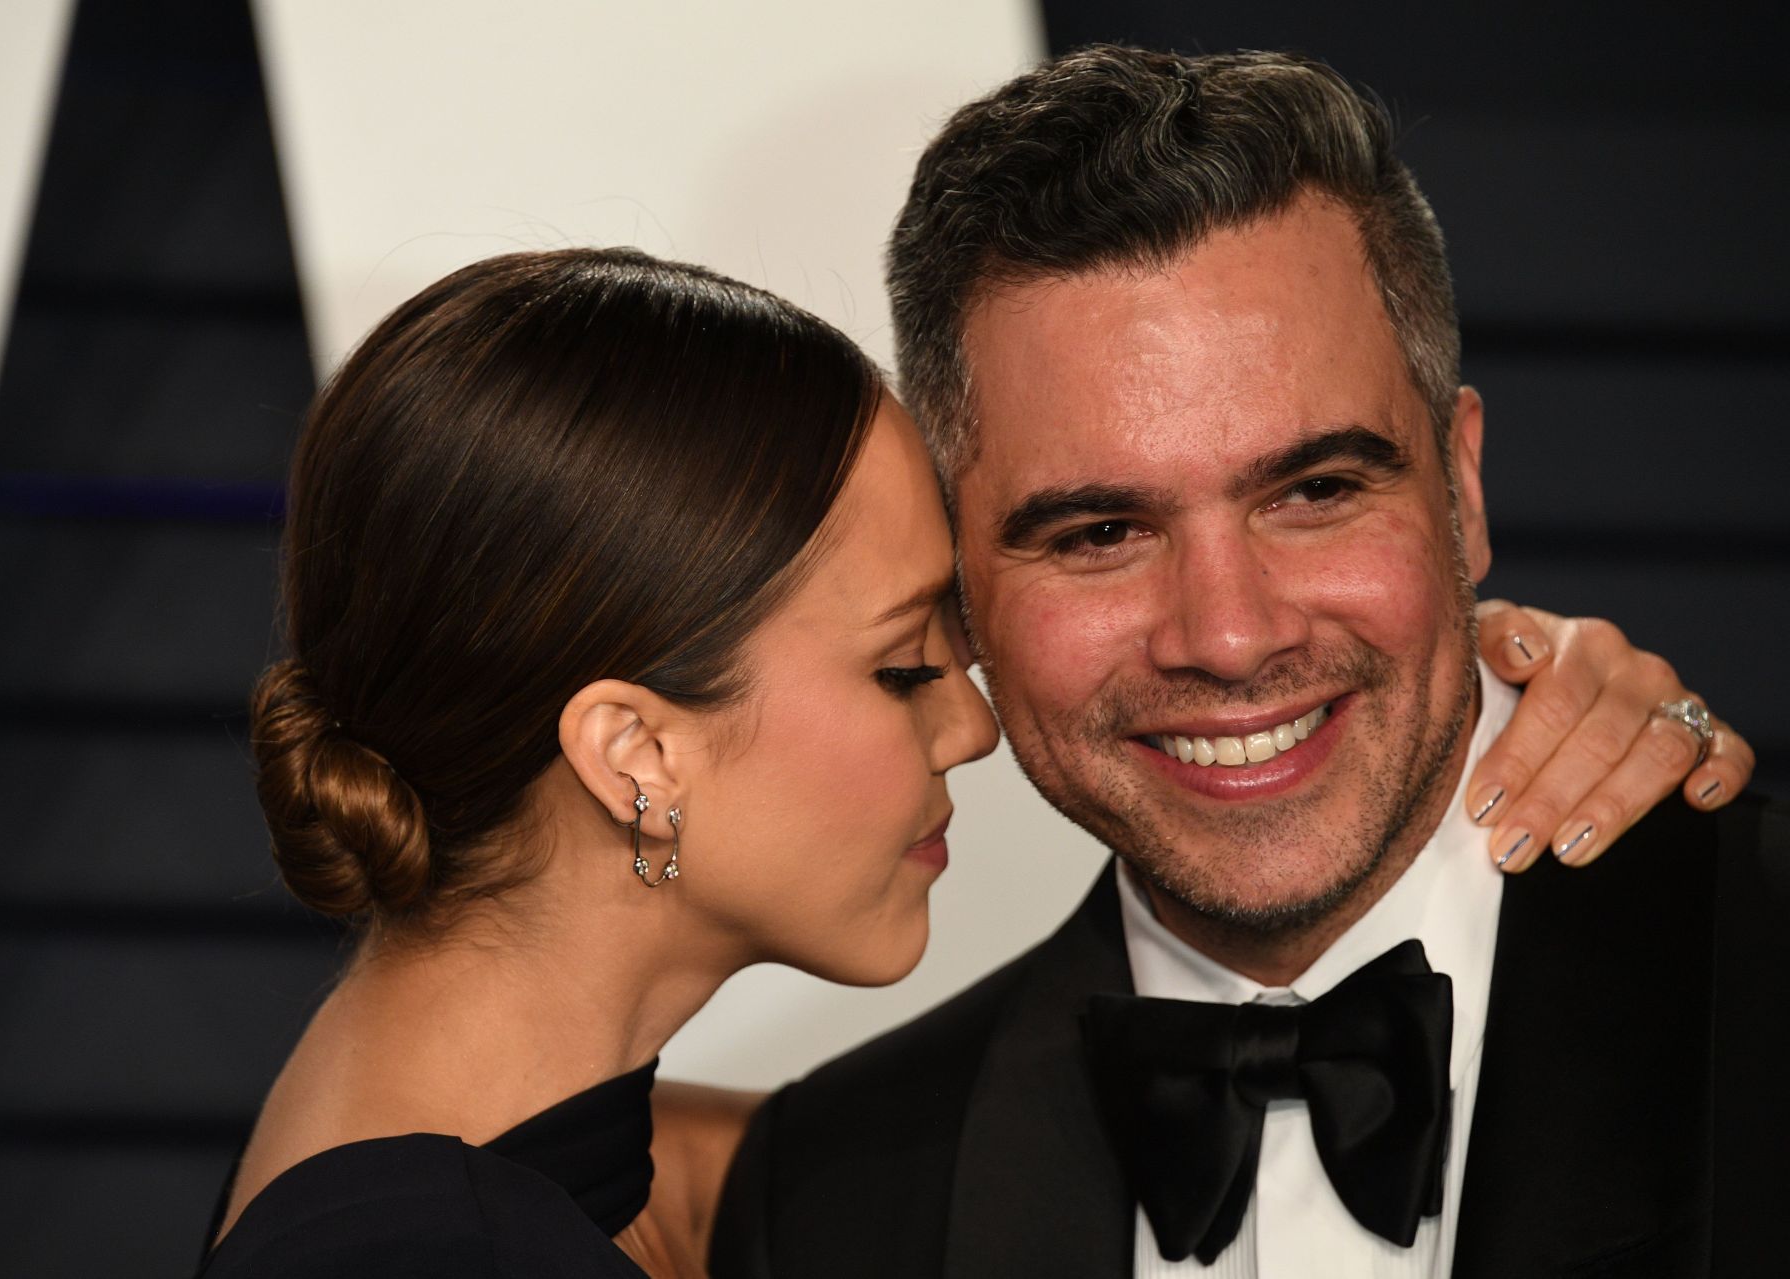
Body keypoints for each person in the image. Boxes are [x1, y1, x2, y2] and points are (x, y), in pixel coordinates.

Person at [198, 250, 1748, 1276]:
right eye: (899, 664)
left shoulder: (629, 1168)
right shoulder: (430, 1241)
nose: (972, 718)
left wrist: (1468, 694)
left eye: (1320, 491)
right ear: (633, 751)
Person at [710, 48, 1785, 1278]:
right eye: (1102, 534)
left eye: (1316, 491)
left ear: (1463, 491)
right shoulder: (830, 1203)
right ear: (961, 593)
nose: (1229, 637)